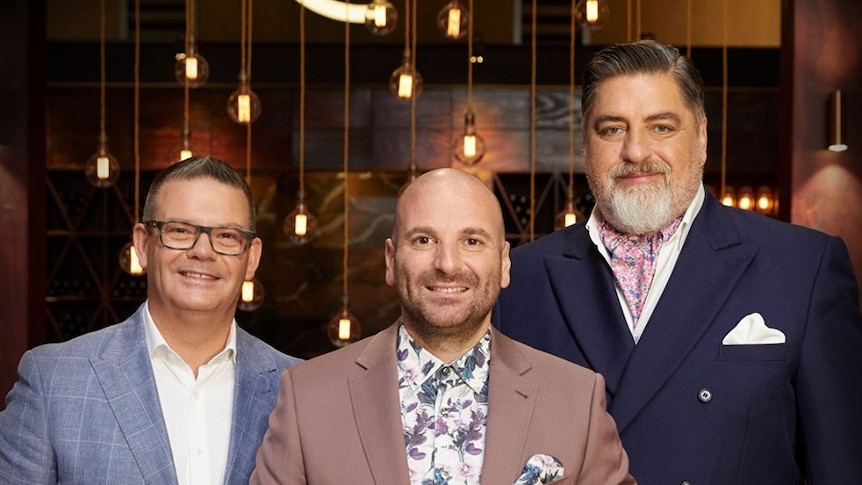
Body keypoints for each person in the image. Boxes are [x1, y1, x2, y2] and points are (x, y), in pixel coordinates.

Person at [492, 40, 862, 484]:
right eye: (612, 129)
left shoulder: (804, 269)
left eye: (661, 127)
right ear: (585, 143)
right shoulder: (518, 282)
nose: (636, 151)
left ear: (702, 136)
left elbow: (841, 468)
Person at [250, 168, 635, 485]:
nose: (448, 264)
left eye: (471, 240)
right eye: (423, 240)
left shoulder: (576, 399)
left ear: (504, 263)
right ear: (390, 259)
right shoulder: (307, 397)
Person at [0, 156, 302, 484]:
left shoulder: (299, 389)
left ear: (252, 257)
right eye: (181, 230)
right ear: (143, 244)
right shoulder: (53, 382)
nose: (203, 251)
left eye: (227, 236)